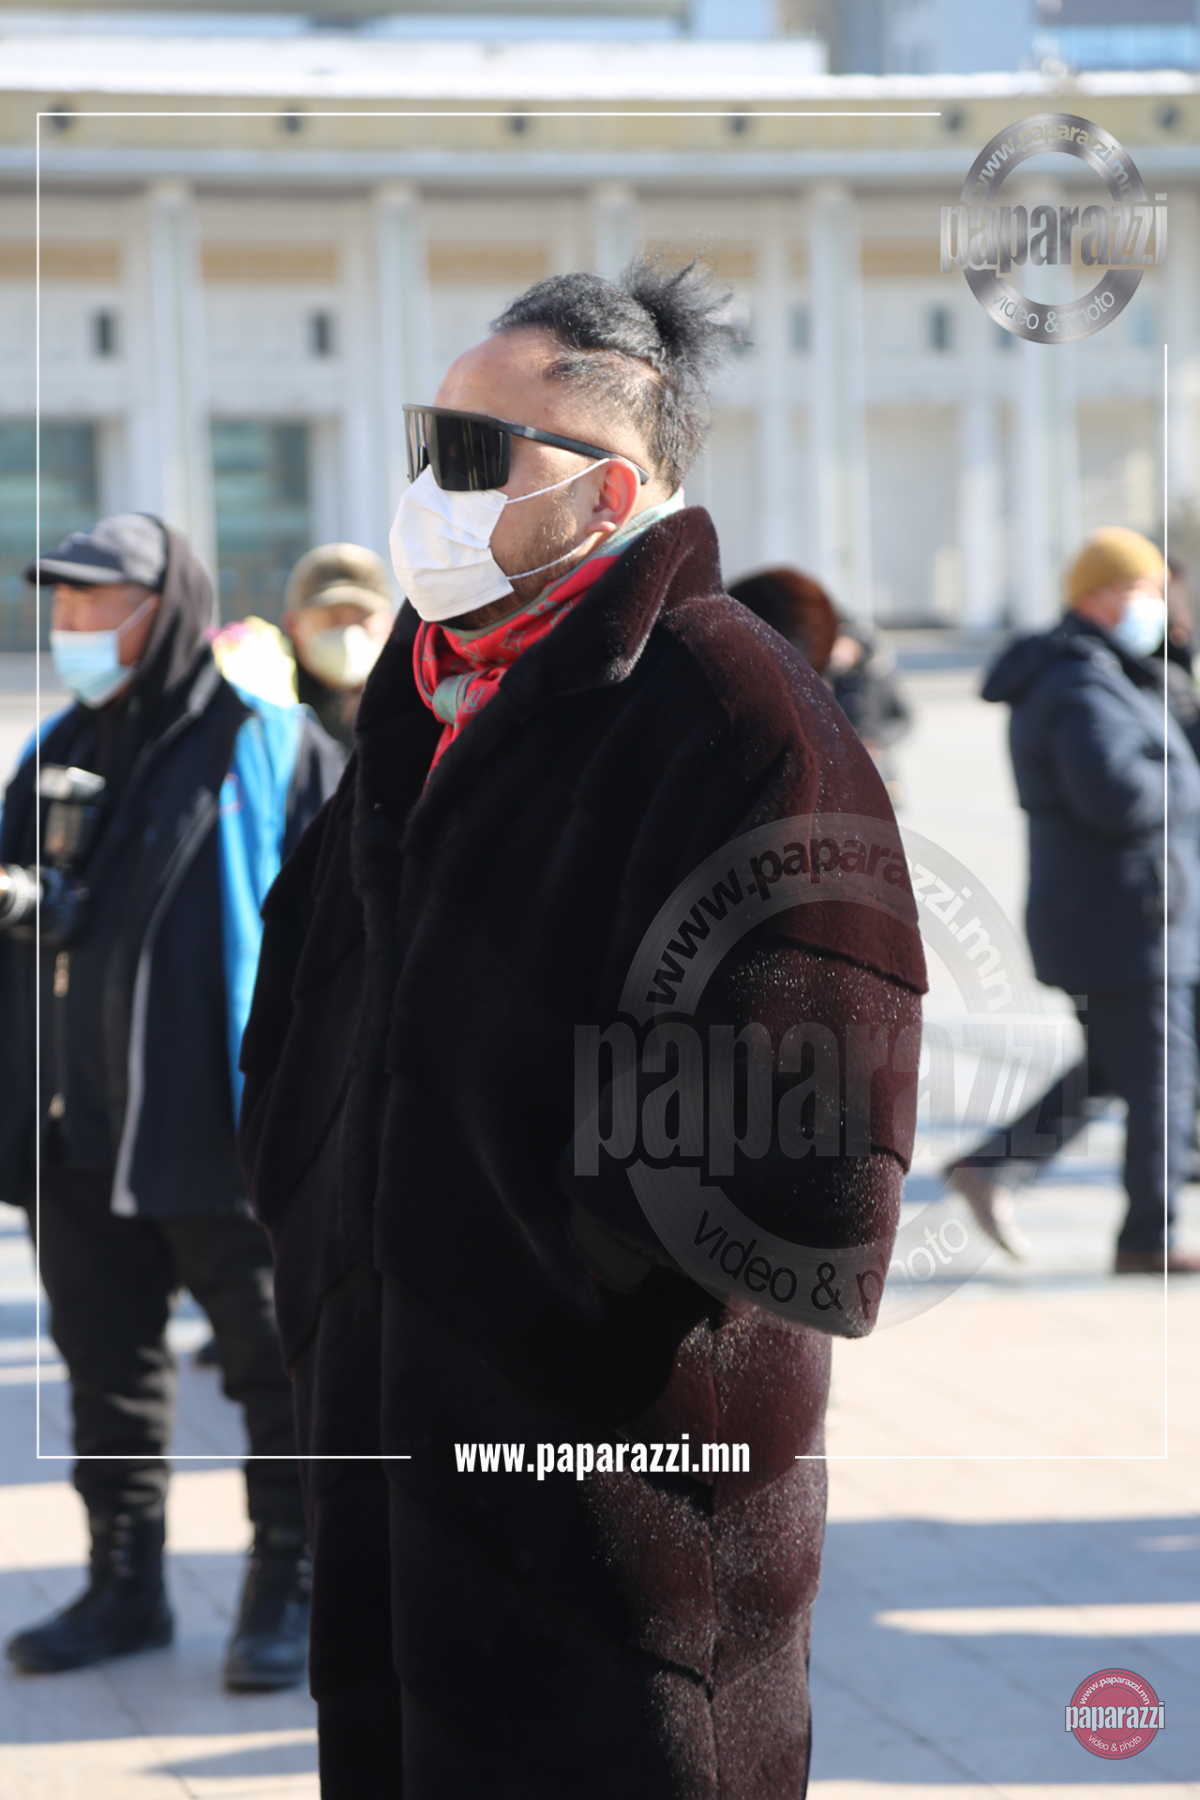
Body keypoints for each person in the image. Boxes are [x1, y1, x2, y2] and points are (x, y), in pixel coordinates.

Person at [237, 261, 926, 1796]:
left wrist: (536, 1254)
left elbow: (813, 1162)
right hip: (388, 1468)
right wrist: (310, 1200)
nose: (430, 491)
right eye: (425, 445)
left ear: (606, 488)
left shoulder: (736, 709)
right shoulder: (425, 699)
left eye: (471, 454)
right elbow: (301, 1012)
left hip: (620, 1509)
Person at [0, 514, 343, 1686]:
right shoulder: (57, 745)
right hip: (76, 1131)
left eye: (96, 601)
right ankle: (124, 1589)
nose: (72, 623)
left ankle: (287, 1590)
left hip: (220, 1129)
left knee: (275, 1370)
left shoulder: (269, 743)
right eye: (61, 601)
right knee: (106, 1369)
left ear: (167, 607)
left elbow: (344, 932)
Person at [945, 526, 1200, 1274]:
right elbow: (1116, 796)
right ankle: (1148, 1239)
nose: (1158, 607)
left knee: (1120, 1066)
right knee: (1163, 1077)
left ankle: (993, 1168)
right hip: (1123, 918)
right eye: (1146, 592)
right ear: (1101, 596)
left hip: (1132, 912)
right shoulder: (1077, 686)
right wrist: (1186, 777)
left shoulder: (1109, 674)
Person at [728, 566, 911, 802]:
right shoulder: (823, 675)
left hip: (871, 760)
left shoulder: (878, 674)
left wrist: (876, 740)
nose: (839, 654)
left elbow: (904, 718)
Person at [280, 542, 395, 750]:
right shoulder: (276, 700)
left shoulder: (416, 696)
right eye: (332, 619)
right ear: (293, 625)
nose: (348, 632)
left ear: (389, 624)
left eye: (362, 618)